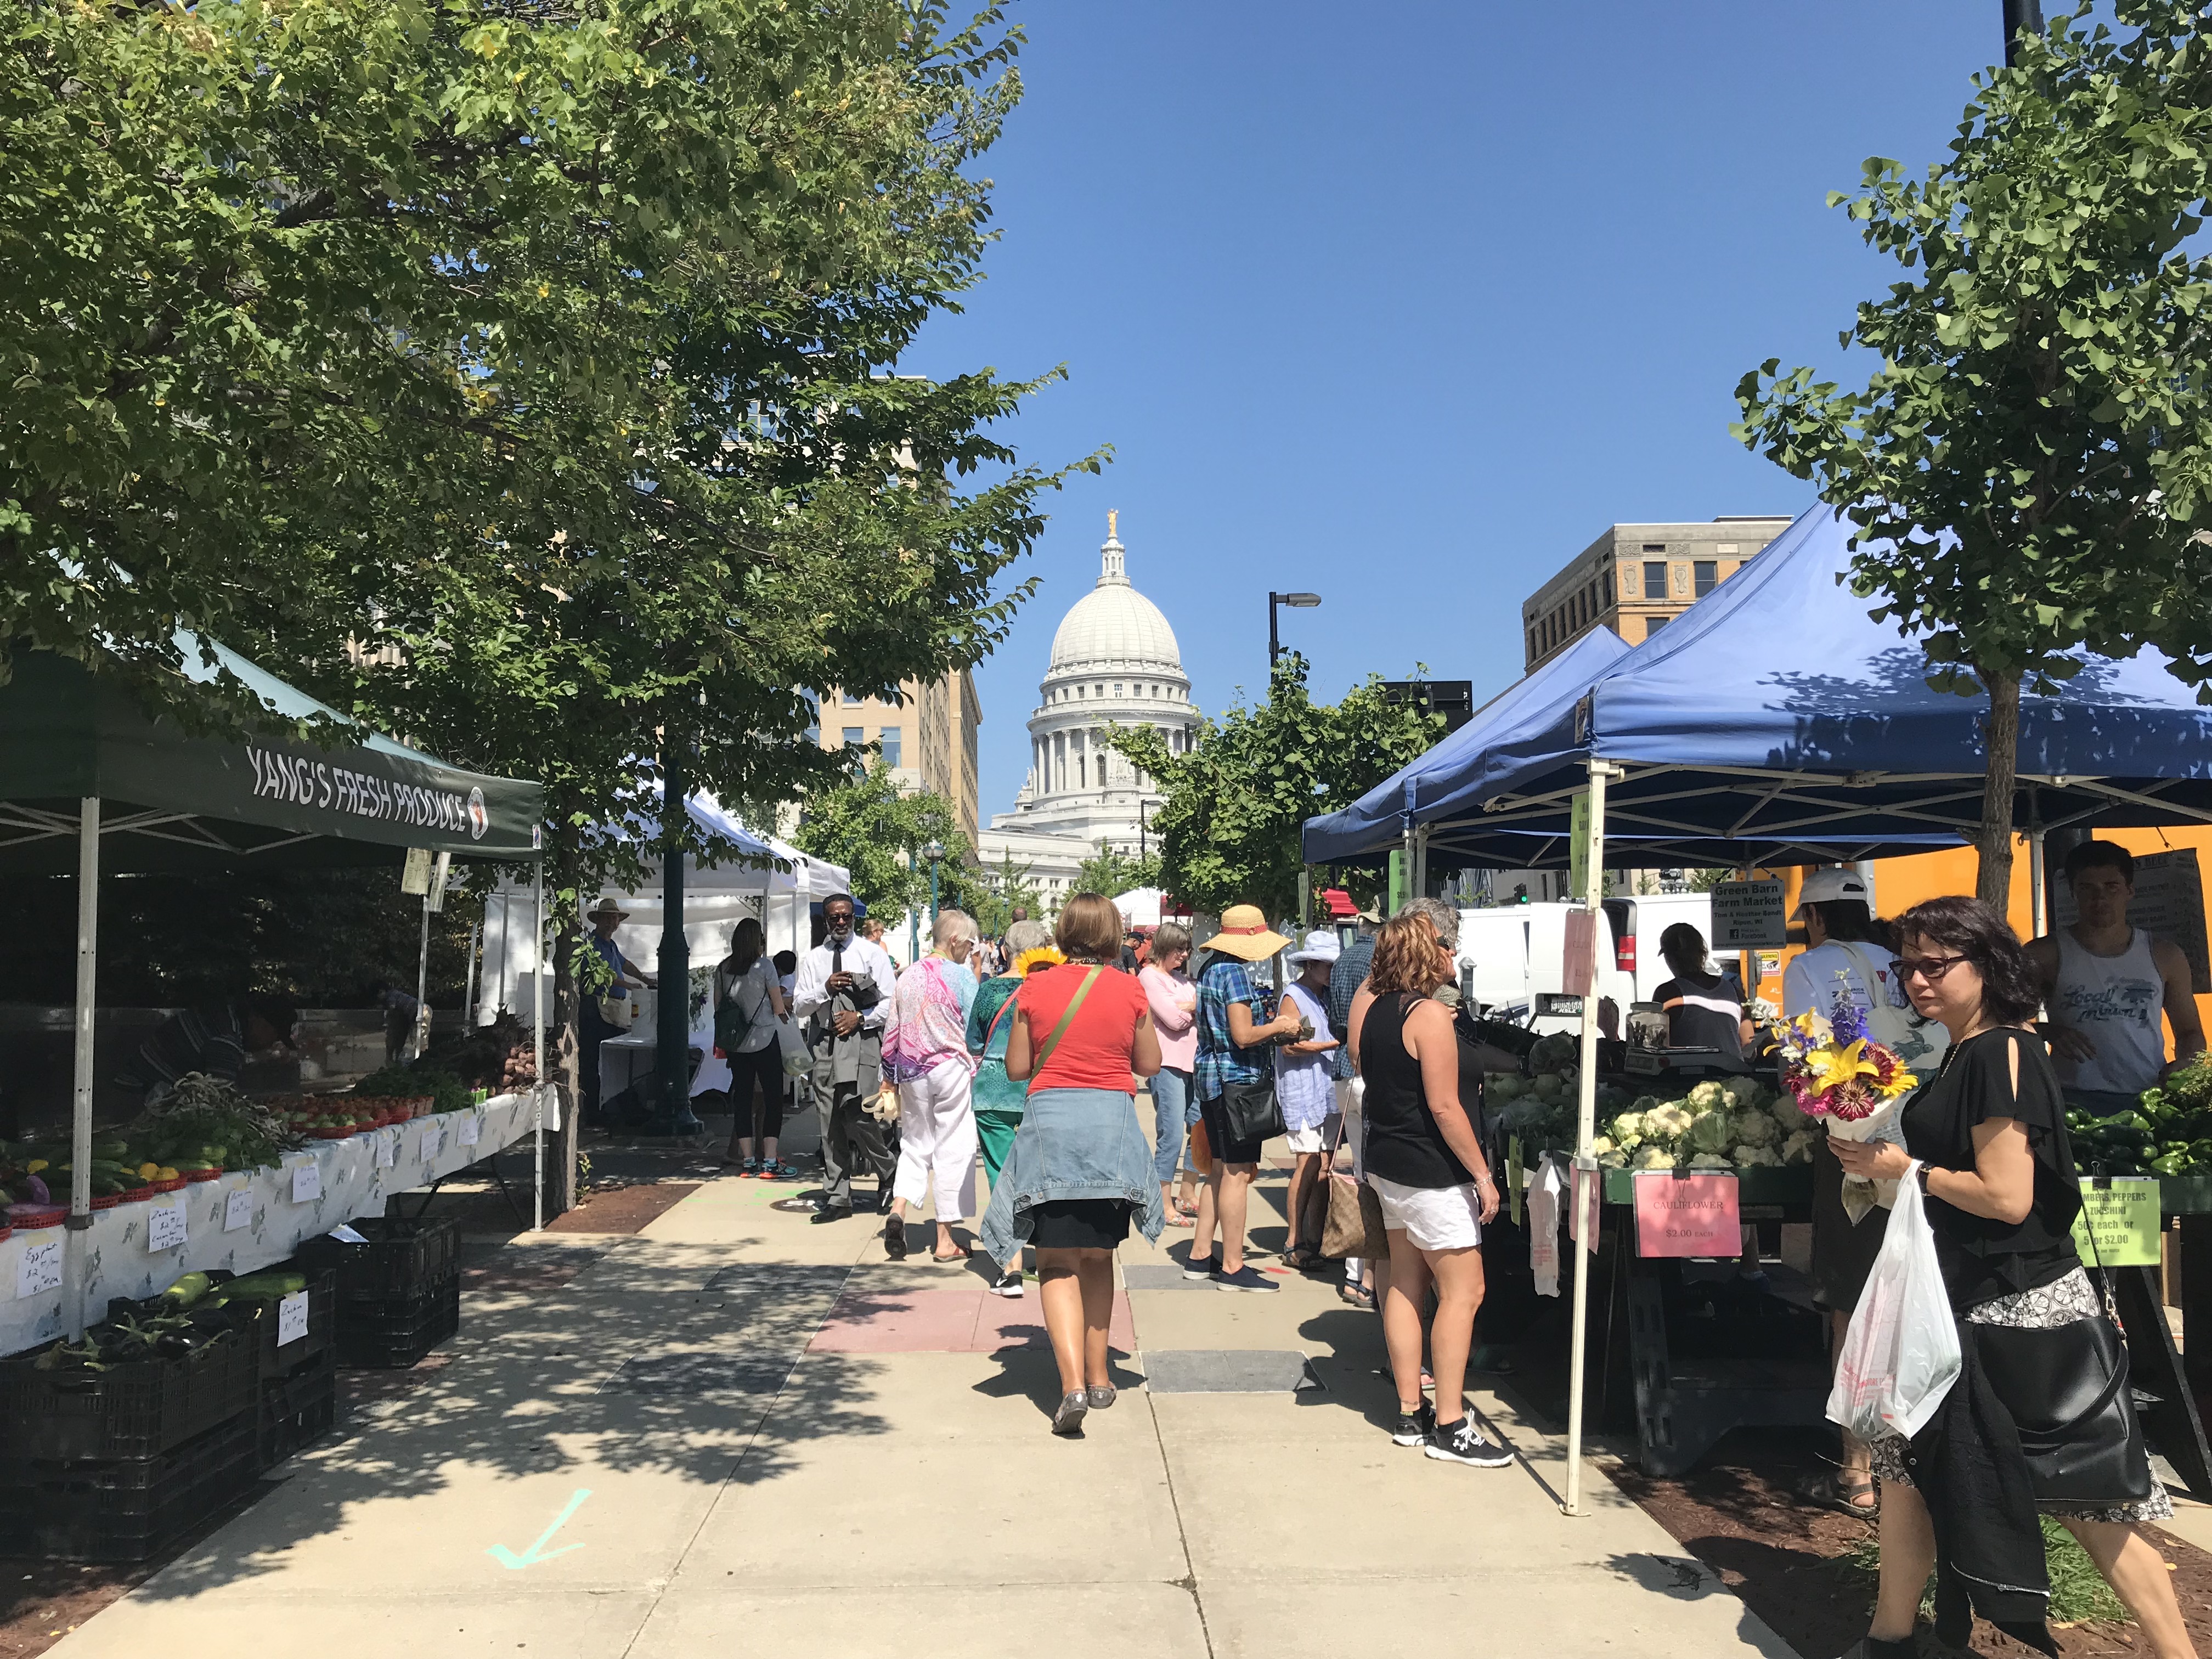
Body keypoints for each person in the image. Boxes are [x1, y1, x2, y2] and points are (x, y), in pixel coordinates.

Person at [1832, 895, 2195, 1659]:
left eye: (1936, 965)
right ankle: (1888, 1638)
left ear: (1987, 965)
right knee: (1905, 1468)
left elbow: (2007, 1198)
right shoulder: (1966, 1051)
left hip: (2020, 1314)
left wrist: (1906, 1171)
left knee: (2087, 1496)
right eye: (1908, 966)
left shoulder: (2001, 1054)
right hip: (1959, 1302)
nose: (1918, 980)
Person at [1784, 866, 1946, 1521]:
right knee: (1924, 1294)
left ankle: (1856, 1472)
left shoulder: (1810, 967)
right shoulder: (1910, 965)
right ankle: (1923, 1457)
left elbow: (1806, 1059)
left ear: (1816, 917)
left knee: (1852, 1303)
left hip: (1857, 1151)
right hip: (1927, 1145)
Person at [979, 893, 1164, 1435]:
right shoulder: (1130, 988)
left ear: (1063, 933)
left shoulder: (1035, 988)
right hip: (1110, 1132)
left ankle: (1072, 1386)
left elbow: (1017, 1067)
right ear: (1112, 936)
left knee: (1057, 1263)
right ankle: (1101, 1375)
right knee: (1099, 1257)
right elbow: (1150, 1063)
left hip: (1053, 1133)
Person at [1344, 912, 1510, 1468]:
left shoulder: (1376, 1010)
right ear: (1425, 951)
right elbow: (1444, 1106)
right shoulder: (1428, 1014)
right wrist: (1482, 1175)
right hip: (1431, 1170)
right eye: (1445, 944)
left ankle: (1410, 1411)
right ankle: (1451, 1424)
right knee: (1464, 1292)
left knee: (1405, 1282)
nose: (1451, 953)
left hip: (1388, 1162)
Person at [2027, 839, 2205, 1115]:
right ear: (2073, 893)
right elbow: (2002, 1023)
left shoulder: (2165, 955)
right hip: (2070, 1097)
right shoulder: (2044, 954)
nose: (2099, 899)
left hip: (2147, 1096)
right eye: (2087, 888)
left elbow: (2190, 1032)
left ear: (2130, 890)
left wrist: (2185, 1064)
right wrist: (2049, 1032)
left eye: (2111, 887)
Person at [1189, 904, 1300, 1293]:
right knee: (1237, 1175)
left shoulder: (1210, 969)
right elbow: (1243, 1035)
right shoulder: (1235, 974)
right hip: (1236, 1084)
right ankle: (1233, 1267)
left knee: (1219, 1171)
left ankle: (1200, 1255)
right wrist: (1280, 1026)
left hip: (1211, 1080)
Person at [790, 892, 899, 1222]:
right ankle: (838, 1198)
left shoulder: (871, 954)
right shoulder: (814, 959)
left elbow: (892, 1002)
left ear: (854, 918)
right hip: (825, 1042)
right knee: (829, 1120)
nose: (841, 922)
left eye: (846, 916)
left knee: (859, 1114)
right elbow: (799, 1006)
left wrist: (860, 1018)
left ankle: (889, 1169)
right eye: (834, 917)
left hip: (861, 1041)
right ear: (825, 920)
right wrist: (825, 989)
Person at [883, 910, 982, 1263]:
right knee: (952, 1148)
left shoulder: (907, 975)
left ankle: (898, 1207)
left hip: (912, 1071)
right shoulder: (962, 977)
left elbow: (892, 1030)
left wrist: (887, 1078)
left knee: (914, 1144)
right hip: (951, 1068)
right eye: (969, 944)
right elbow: (975, 1029)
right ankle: (945, 1240)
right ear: (954, 940)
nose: (972, 951)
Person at [969, 919, 1057, 1296]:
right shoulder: (1051, 989)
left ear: (1005, 950)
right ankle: (1050, 1256)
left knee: (1000, 1174)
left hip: (995, 1090)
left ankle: (1012, 1268)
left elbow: (974, 1042)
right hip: (1041, 1087)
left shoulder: (990, 990)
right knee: (1043, 1174)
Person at [1277, 930, 1344, 1272]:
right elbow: (1290, 1045)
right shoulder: (1294, 997)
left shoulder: (1325, 996)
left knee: (1325, 1165)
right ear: (1312, 964)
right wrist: (1333, 1044)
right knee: (1307, 1163)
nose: (1332, 973)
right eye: (1328, 966)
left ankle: (1316, 1239)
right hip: (1303, 1088)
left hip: (1325, 1087)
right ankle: (1294, 1240)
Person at [715, 918, 793, 1177]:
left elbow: (718, 1008)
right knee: (773, 1099)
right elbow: (778, 1006)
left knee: (743, 1099)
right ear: (757, 941)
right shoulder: (765, 966)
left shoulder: (723, 968)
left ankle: (748, 1160)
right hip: (764, 1039)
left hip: (737, 1043)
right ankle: (770, 1161)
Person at [1329, 915, 1380, 1307]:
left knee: (1361, 1171)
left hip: (1343, 1072)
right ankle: (1365, 1277)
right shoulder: (1380, 962)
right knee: (1375, 1178)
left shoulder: (1342, 960)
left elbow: (1336, 1023)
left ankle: (1354, 1274)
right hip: (1369, 1071)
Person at [1139, 922, 1200, 1229]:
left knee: (1199, 1129)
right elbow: (1174, 1020)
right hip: (1167, 1064)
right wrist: (1194, 1009)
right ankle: (1162, 1203)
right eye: (1179, 949)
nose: (1184, 955)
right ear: (1164, 947)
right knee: (1172, 1133)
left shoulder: (1181, 979)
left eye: (1187, 950)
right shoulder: (1149, 977)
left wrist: (1192, 1007)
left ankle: (1187, 1192)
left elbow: (1194, 1009)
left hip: (1193, 1063)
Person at [579, 895, 655, 1128]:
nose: (614, 922)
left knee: (619, 1060)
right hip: (597, 1010)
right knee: (595, 1062)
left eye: (616, 918)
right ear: (598, 920)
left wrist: (644, 978)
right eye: (609, 918)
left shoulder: (611, 946)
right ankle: (595, 1112)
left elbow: (623, 964)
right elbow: (604, 976)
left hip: (614, 1010)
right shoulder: (591, 946)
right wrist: (630, 986)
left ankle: (624, 1108)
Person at [1652, 922, 1752, 1059]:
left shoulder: (1668, 993)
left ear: (1670, 957)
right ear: (1702, 953)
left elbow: (1656, 1046)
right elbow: (1749, 1048)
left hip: (1687, 1071)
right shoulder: (1734, 991)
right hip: (1732, 1071)